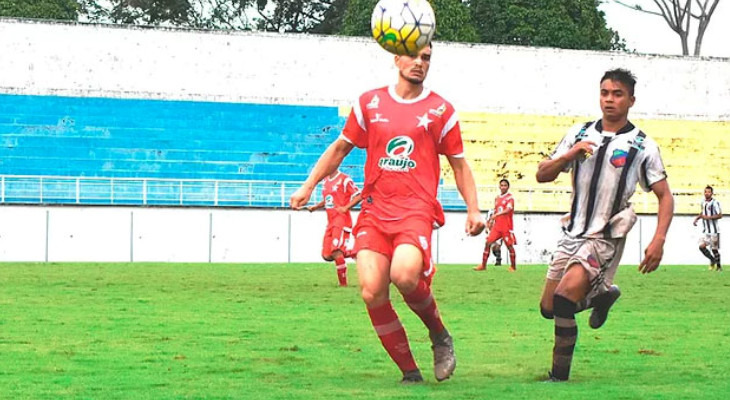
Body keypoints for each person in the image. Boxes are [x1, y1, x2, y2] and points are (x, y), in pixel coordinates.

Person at [290, 43, 484, 384]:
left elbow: (459, 164)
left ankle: (439, 336)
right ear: (396, 58)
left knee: (405, 275)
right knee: (371, 289)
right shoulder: (369, 103)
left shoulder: (441, 110)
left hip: (415, 209)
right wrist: (308, 185)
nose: (419, 63)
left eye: (426, 58)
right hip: (375, 210)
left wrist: (473, 209)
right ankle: (410, 372)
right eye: (413, 55)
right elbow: (340, 148)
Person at [535, 68, 674, 382]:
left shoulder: (642, 145)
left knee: (563, 300)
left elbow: (665, 197)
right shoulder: (579, 132)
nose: (609, 100)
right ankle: (602, 296)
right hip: (573, 231)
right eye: (605, 93)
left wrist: (659, 240)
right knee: (548, 307)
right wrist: (570, 153)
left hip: (606, 234)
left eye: (617, 94)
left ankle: (558, 378)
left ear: (631, 100)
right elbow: (542, 174)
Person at [306, 169, 362, 286]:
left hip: (342, 220)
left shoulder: (344, 179)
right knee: (326, 255)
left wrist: (346, 207)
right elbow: (328, 199)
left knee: (336, 251)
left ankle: (343, 284)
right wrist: (316, 207)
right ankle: (355, 253)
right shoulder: (326, 181)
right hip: (330, 221)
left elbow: (359, 195)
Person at [474, 178, 517, 271]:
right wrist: (490, 221)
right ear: (499, 186)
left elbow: (508, 209)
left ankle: (513, 266)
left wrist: (497, 214)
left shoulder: (510, 198)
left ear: (508, 187)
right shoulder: (497, 198)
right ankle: (483, 265)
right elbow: (495, 210)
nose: (503, 187)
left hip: (506, 226)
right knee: (488, 242)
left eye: (505, 185)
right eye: (501, 185)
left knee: (509, 246)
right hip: (497, 227)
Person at [693, 185, 722, 271]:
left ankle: (719, 267)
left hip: (714, 231)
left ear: (712, 193)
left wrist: (709, 218)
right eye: (705, 192)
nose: (707, 193)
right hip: (706, 231)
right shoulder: (703, 202)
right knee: (701, 247)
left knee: (714, 250)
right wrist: (697, 219)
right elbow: (703, 213)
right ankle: (712, 260)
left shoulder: (715, 203)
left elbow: (720, 215)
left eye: (709, 192)